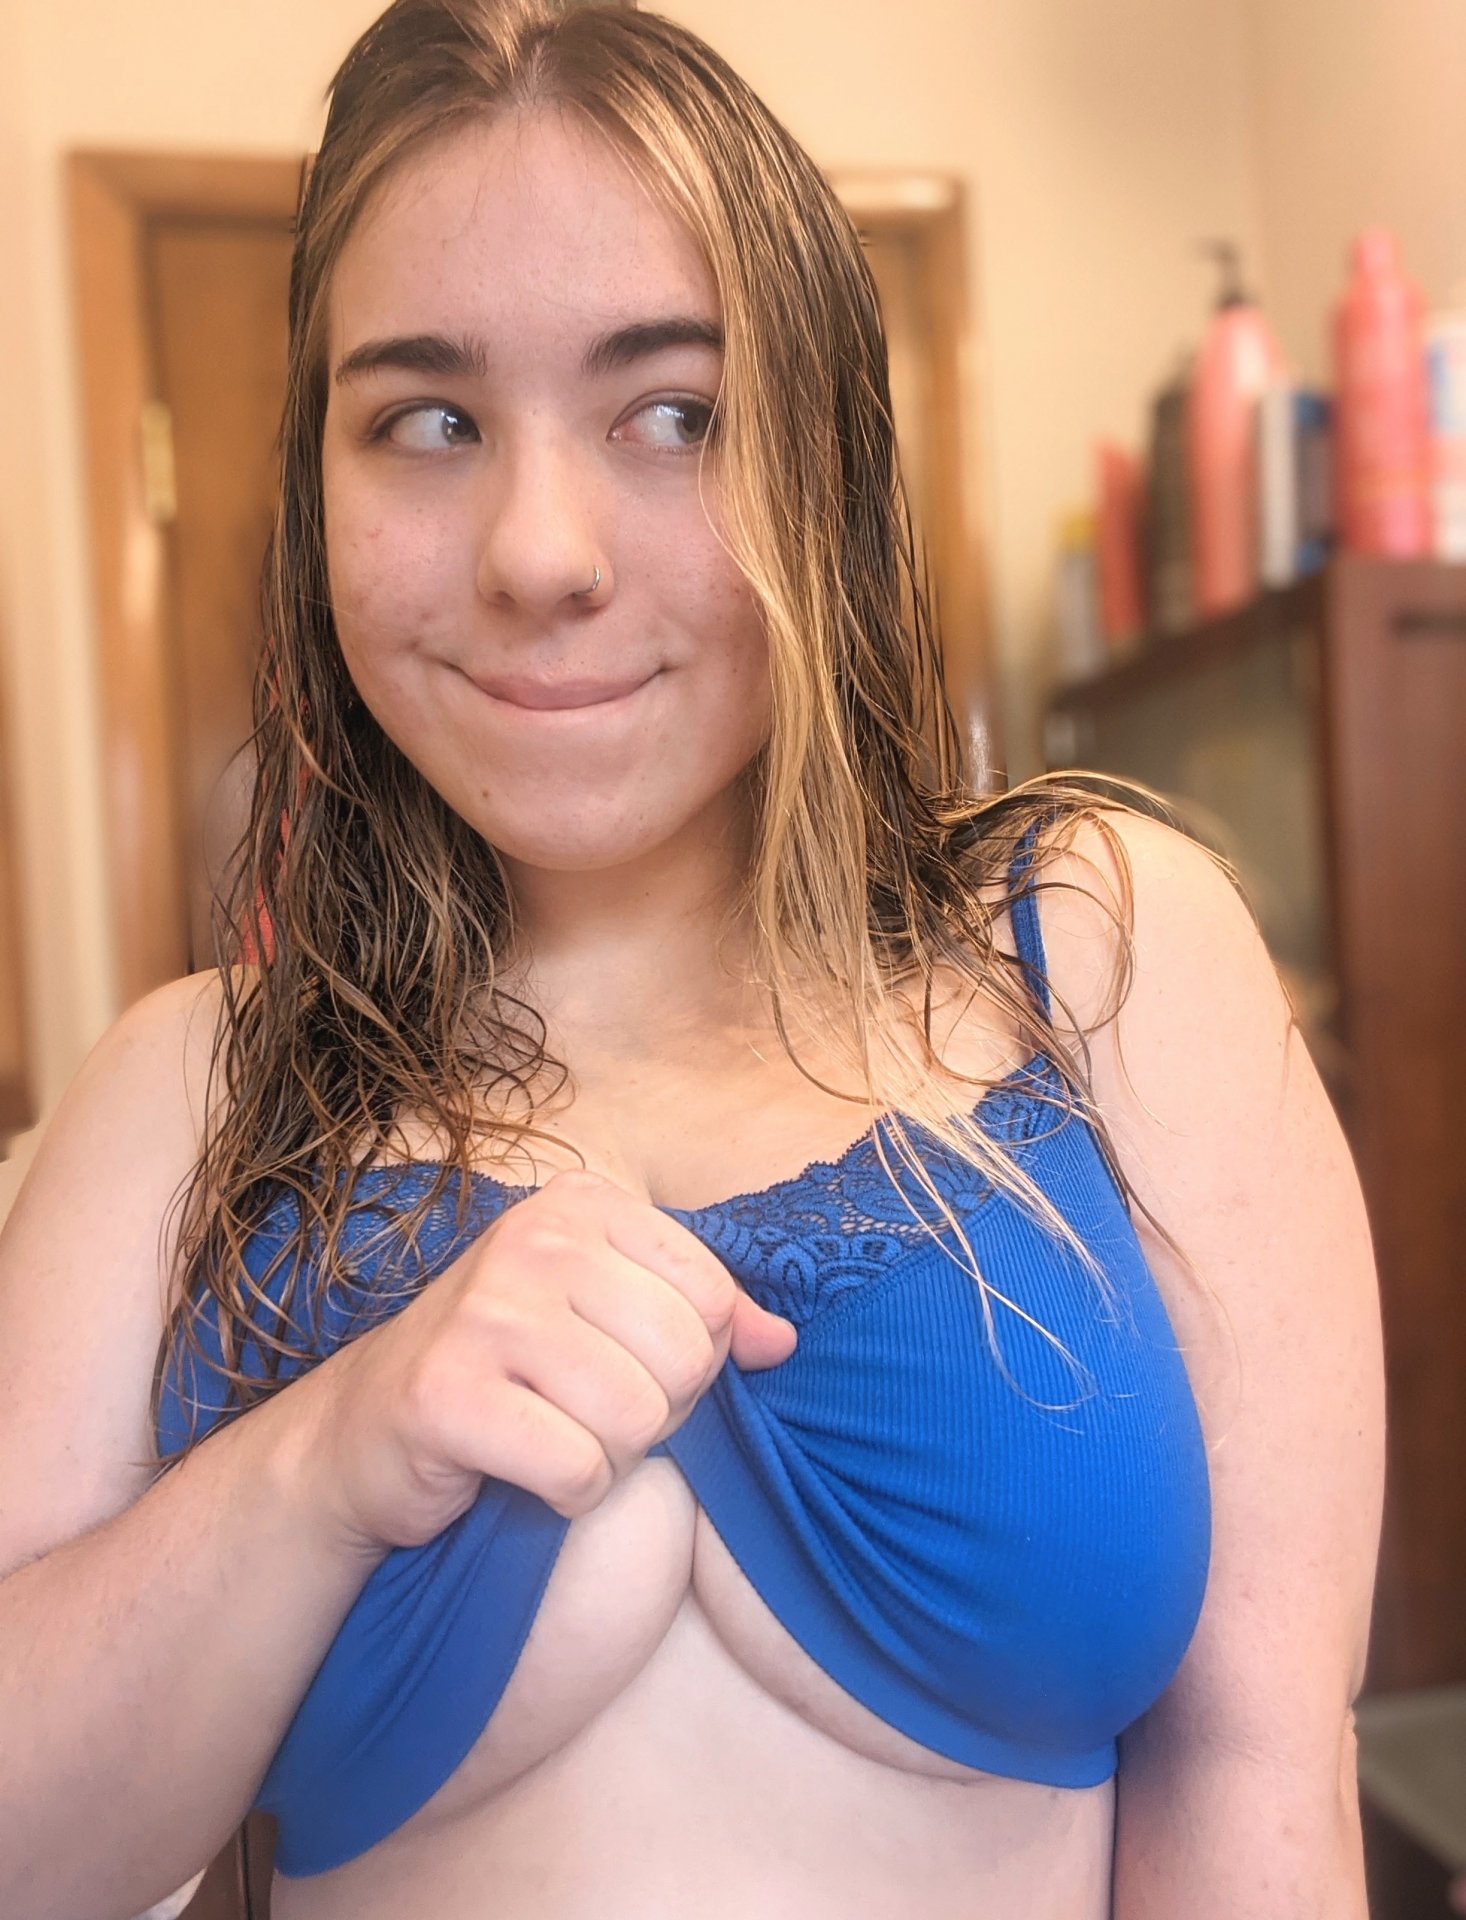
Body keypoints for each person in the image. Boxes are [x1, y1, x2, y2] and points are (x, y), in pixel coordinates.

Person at [0, 2, 1384, 1916]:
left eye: (674, 411)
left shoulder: (1099, 953)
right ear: (316, 489)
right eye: (426, 420)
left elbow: (1260, 1776)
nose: (539, 552)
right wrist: (324, 1462)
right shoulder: (185, 1091)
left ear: (826, 461)